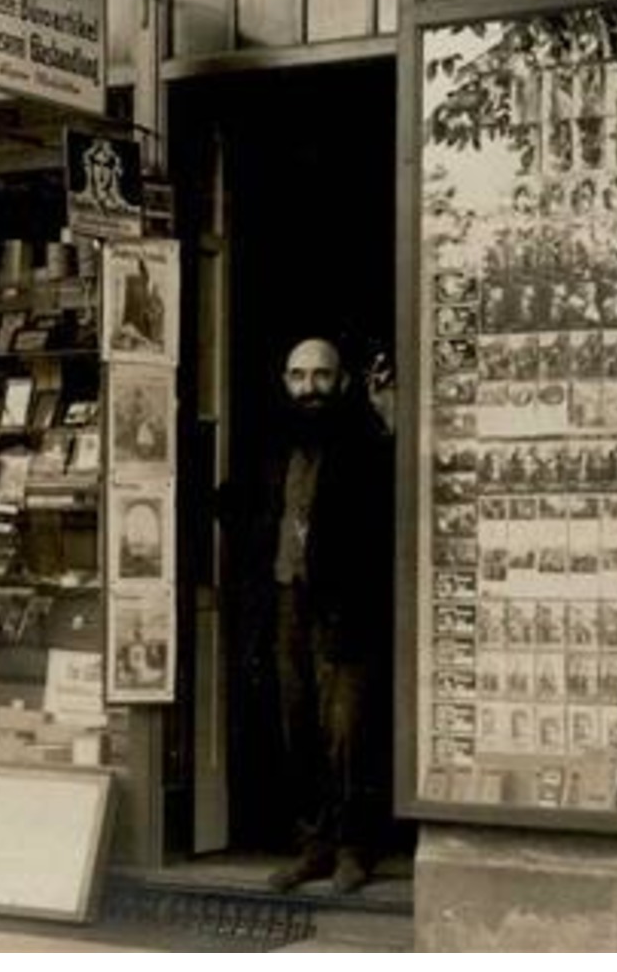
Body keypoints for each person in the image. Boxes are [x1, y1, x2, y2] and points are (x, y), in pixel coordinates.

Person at [223, 337, 393, 895]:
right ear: (284, 382)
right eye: (298, 376)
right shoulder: (272, 447)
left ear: (342, 381)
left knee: (347, 729)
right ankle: (314, 844)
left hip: (345, 608)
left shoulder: (367, 445)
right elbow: (244, 511)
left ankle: (354, 847)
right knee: (297, 725)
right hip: (285, 603)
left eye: (321, 376)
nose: (308, 388)